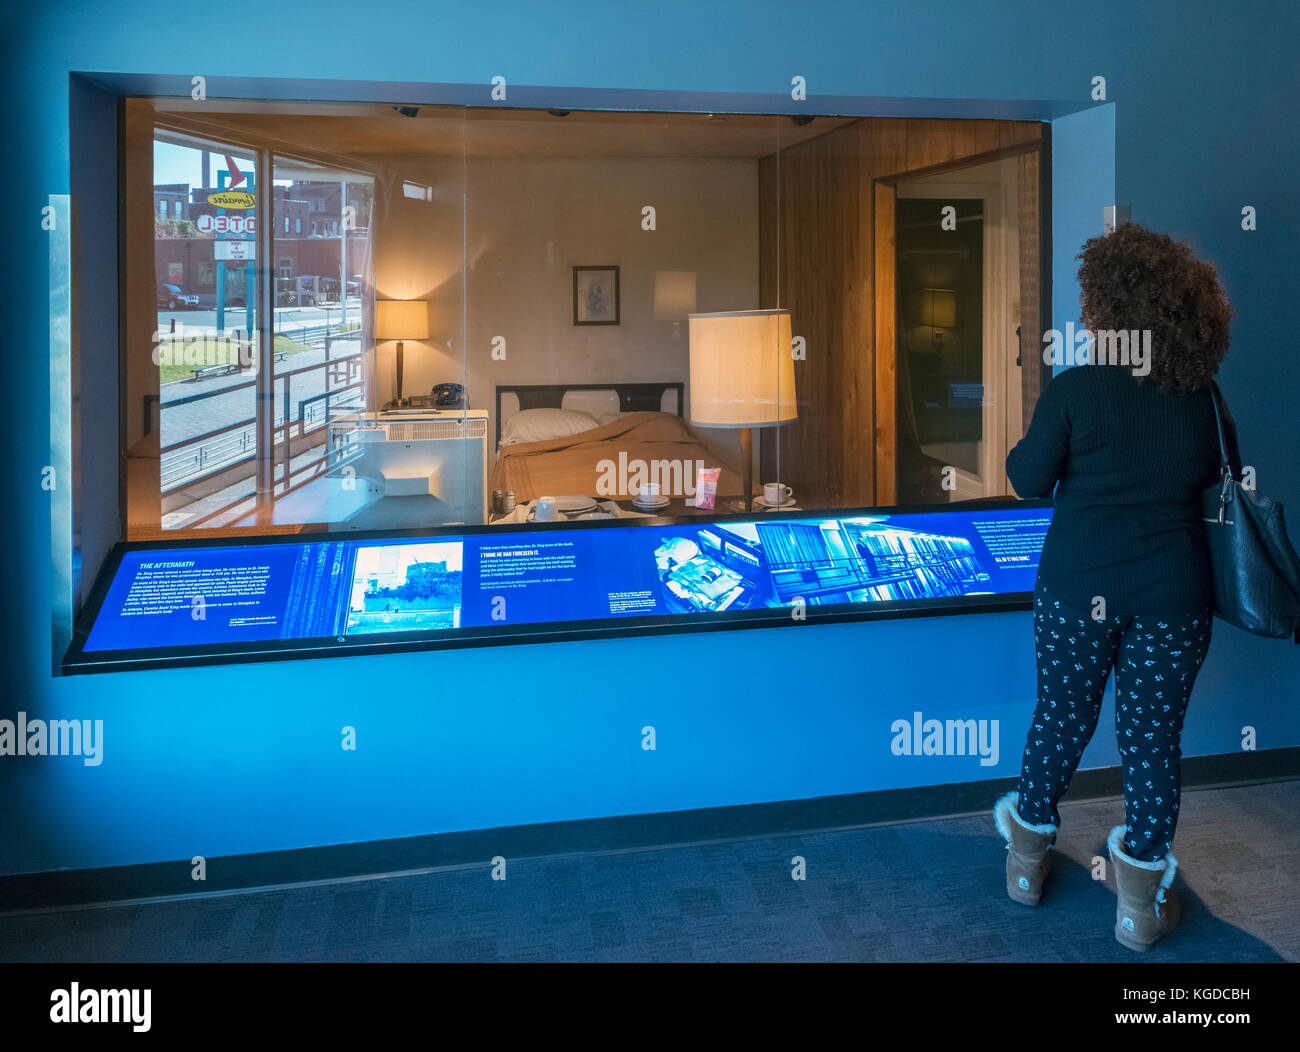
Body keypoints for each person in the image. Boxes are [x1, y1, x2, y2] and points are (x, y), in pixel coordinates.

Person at [992, 223, 1235, 952]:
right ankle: (1137, 911)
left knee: (1061, 718)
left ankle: (1026, 866)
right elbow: (1219, 489)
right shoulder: (1204, 399)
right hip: (1173, 597)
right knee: (1152, 742)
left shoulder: (1076, 390)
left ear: (1107, 309)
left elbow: (1027, 479)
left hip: (1077, 591)